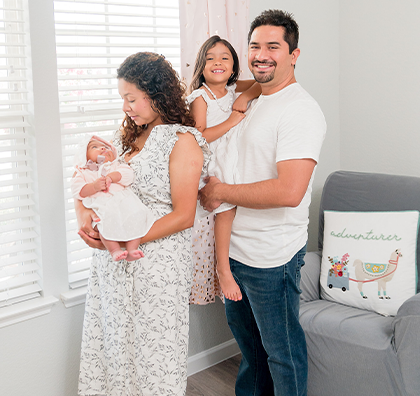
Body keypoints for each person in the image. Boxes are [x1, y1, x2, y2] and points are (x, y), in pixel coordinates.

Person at [199, 9, 326, 396]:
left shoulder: (300, 110)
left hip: (272, 257)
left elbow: (288, 192)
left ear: (294, 54)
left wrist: (219, 192)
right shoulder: (250, 96)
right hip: (234, 251)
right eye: (255, 46)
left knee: (281, 355)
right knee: (252, 355)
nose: (261, 54)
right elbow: (224, 82)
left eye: (273, 46)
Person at [75, 52, 209, 395]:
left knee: (152, 359)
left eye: (131, 98)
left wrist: (120, 235)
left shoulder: (182, 141)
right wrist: (92, 224)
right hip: (113, 265)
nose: (126, 107)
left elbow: (183, 215)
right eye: (123, 99)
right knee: (114, 352)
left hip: (155, 266)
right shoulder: (129, 139)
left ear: (156, 94)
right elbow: (99, 185)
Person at [187, 35, 261, 303]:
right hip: (213, 160)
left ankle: (234, 263)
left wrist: (246, 96)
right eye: (210, 58)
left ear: (233, 67)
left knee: (242, 203)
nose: (217, 62)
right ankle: (223, 269)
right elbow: (200, 136)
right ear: (201, 66)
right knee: (225, 211)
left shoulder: (231, 90)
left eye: (224, 58)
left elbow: (260, 83)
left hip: (232, 155)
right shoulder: (201, 96)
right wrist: (231, 121)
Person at [71, 134, 155, 262]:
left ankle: (132, 249)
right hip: (102, 205)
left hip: (123, 202)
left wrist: (112, 177)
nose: (103, 149)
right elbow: (78, 191)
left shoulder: (115, 165)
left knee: (138, 215)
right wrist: (93, 187)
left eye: (106, 147)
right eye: (95, 147)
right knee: (103, 224)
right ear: (84, 155)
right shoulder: (83, 172)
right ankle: (114, 250)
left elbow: (128, 175)